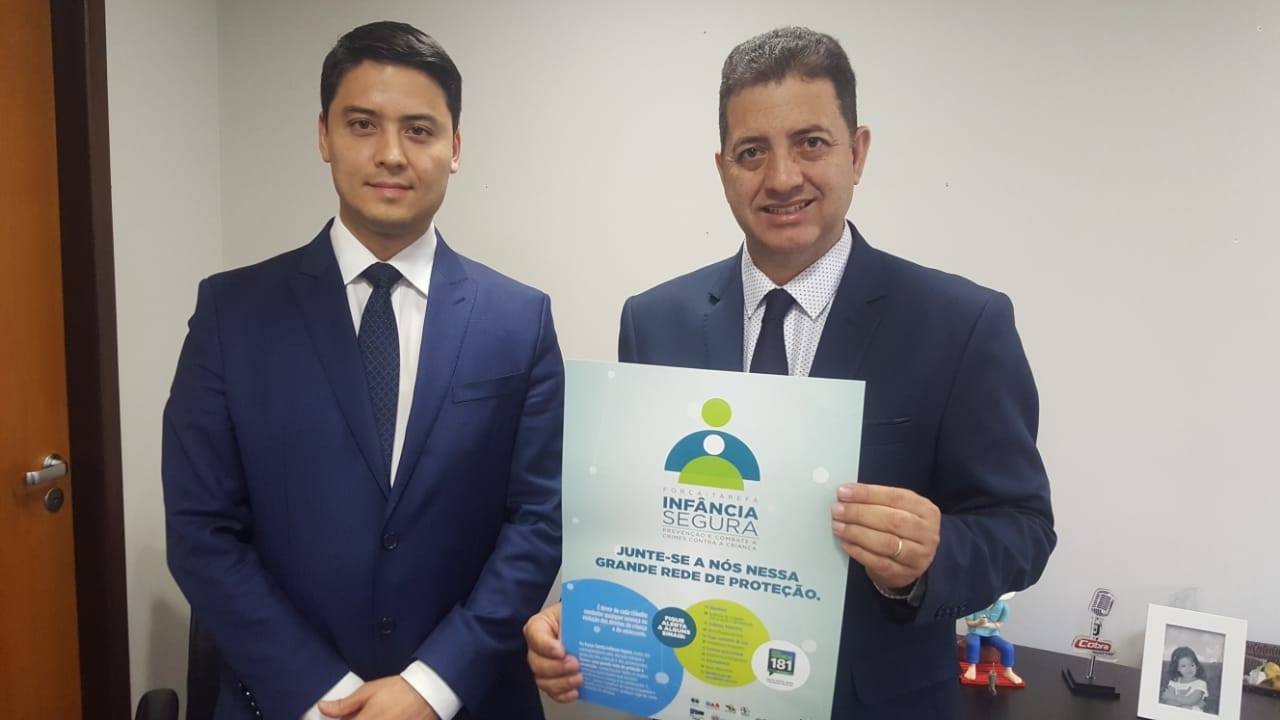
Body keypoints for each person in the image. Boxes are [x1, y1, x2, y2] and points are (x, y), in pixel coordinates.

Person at [524, 26, 1054, 718]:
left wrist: (933, 552)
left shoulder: (961, 323)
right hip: (696, 693)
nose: (781, 178)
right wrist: (586, 610)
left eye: (810, 142)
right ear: (723, 169)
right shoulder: (653, 321)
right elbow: (647, 523)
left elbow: (1023, 527)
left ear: (857, 152)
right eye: (752, 152)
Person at [162, 21, 563, 720]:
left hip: (467, 700)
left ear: (455, 148)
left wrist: (431, 687)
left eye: (419, 130)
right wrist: (324, 696)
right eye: (362, 124)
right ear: (324, 135)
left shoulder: (519, 319)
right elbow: (201, 530)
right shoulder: (232, 313)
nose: (390, 154)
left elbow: (536, 522)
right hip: (286, 703)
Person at [962, 592, 1023, 684]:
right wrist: (978, 623)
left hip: (992, 634)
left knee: (1008, 647)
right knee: (973, 644)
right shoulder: (974, 604)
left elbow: (1000, 624)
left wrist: (987, 625)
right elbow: (969, 622)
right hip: (974, 632)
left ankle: (1008, 671)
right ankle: (972, 667)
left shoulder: (1003, 606)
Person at [1161, 646, 1210, 711]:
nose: (1188, 669)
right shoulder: (1174, 682)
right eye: (1183, 666)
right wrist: (1185, 705)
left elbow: (1191, 701)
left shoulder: (1200, 684)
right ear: (1177, 668)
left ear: (1197, 665)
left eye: (1192, 665)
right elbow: (1168, 702)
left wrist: (1173, 697)